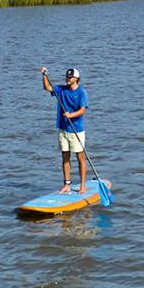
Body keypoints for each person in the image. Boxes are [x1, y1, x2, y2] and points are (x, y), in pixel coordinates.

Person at [39, 66, 89, 195]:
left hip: (76, 130)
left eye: (70, 77)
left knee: (80, 157)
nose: (68, 79)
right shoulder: (61, 90)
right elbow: (47, 88)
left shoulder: (82, 93)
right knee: (65, 157)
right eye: (67, 77)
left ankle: (82, 186)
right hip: (62, 129)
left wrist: (71, 115)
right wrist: (44, 75)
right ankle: (67, 184)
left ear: (76, 79)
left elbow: (83, 110)